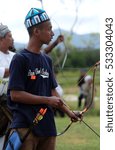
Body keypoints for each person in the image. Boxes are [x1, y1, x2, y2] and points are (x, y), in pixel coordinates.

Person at [7, 8, 80, 150]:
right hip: (25, 127)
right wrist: (47, 100)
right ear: (36, 31)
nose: (52, 33)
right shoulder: (20, 59)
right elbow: (15, 95)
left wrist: (70, 113)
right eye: (49, 29)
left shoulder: (47, 60)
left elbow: (53, 92)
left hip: (47, 127)